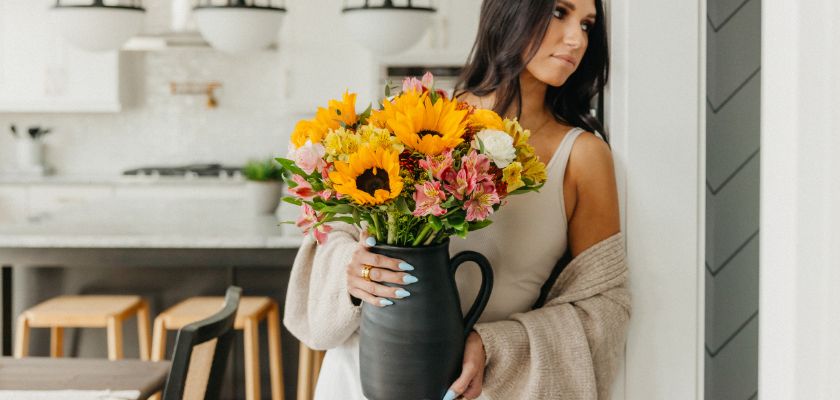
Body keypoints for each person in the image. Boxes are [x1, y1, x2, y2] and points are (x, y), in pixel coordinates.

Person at [284, 0, 631, 399]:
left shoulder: (583, 157)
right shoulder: (418, 118)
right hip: (360, 376)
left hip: (477, 389)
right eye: (559, 12)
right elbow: (336, 236)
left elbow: (604, 308)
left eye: (587, 25)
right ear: (509, 11)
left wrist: (495, 344)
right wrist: (353, 270)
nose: (576, 39)